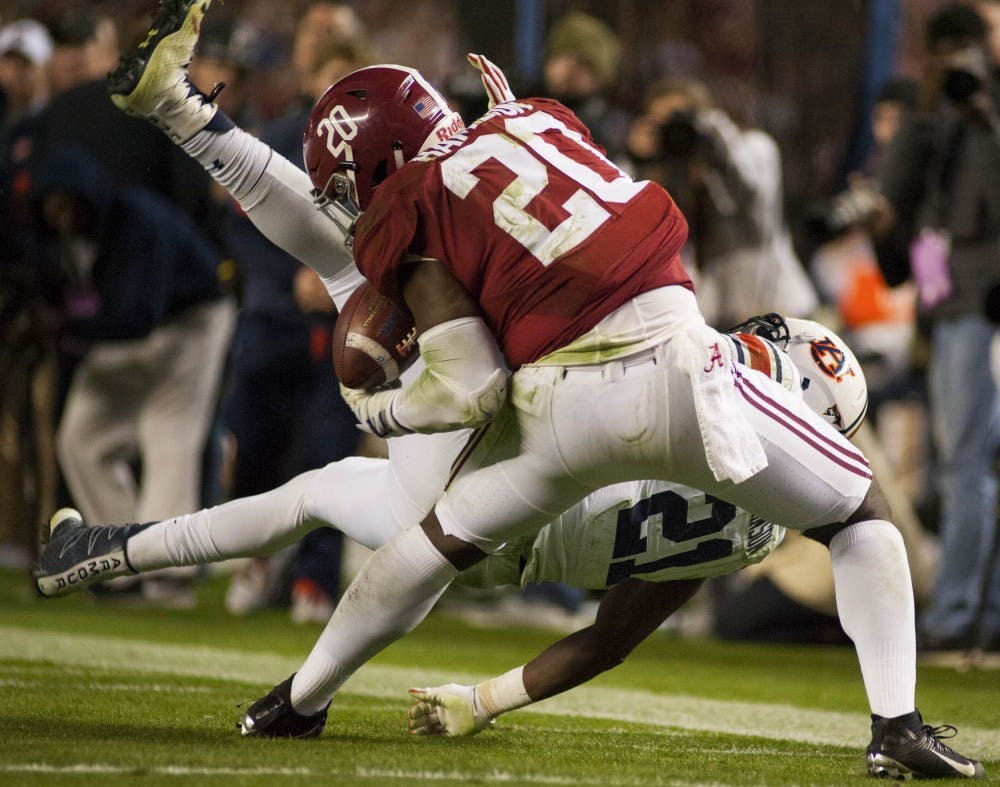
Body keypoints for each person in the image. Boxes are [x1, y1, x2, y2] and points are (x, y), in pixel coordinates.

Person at [35, 2, 984, 779]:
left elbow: (478, 382)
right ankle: (894, 724)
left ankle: (292, 691)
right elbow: (610, 638)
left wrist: (380, 406)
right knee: (860, 514)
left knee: (349, 319)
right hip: (621, 438)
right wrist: (484, 699)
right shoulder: (760, 515)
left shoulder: (502, 147)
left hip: (546, 422)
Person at [32, 145, 235, 608]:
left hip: (191, 323)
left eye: (68, 205)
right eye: (53, 208)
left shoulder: (139, 224)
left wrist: (64, 326)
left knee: (168, 436)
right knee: (82, 440)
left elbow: (139, 316)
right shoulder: (59, 242)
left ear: (88, 198)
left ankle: (167, 575)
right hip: (125, 336)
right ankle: (120, 563)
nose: (62, 217)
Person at [875, 3, 1000, 654]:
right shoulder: (932, 117)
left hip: (981, 304)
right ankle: (973, 610)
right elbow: (896, 202)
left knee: (967, 464)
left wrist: (985, 115)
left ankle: (956, 614)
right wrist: (924, 117)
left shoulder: (988, 109)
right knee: (966, 463)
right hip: (950, 306)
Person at [626, 76, 818, 330]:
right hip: (717, 310)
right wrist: (638, 161)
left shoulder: (755, 146)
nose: (675, 131)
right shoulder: (663, 170)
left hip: (774, 299)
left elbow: (751, 203)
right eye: (662, 125)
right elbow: (635, 229)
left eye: (679, 119)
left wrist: (717, 141)